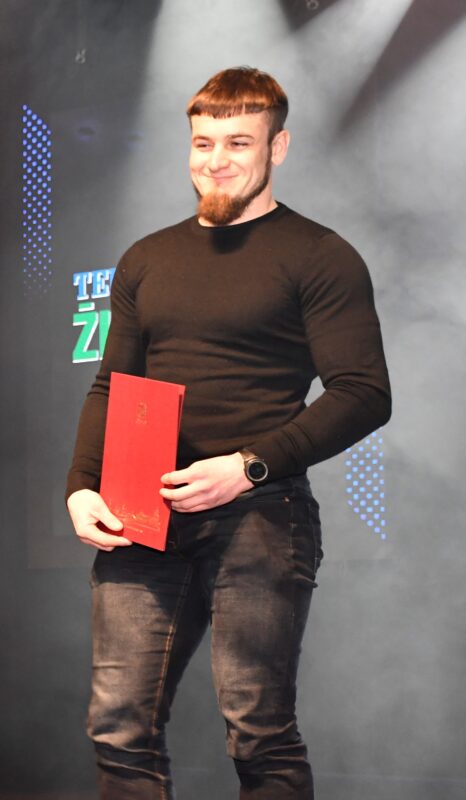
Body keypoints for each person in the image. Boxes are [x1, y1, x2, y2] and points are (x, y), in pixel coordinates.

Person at [66, 66, 391, 799]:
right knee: (117, 728)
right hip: (140, 514)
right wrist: (82, 487)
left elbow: (364, 393)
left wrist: (246, 467)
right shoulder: (146, 258)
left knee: (259, 732)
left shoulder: (320, 255)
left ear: (279, 147)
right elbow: (110, 386)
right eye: (203, 143)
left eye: (238, 142)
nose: (215, 160)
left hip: (259, 513)